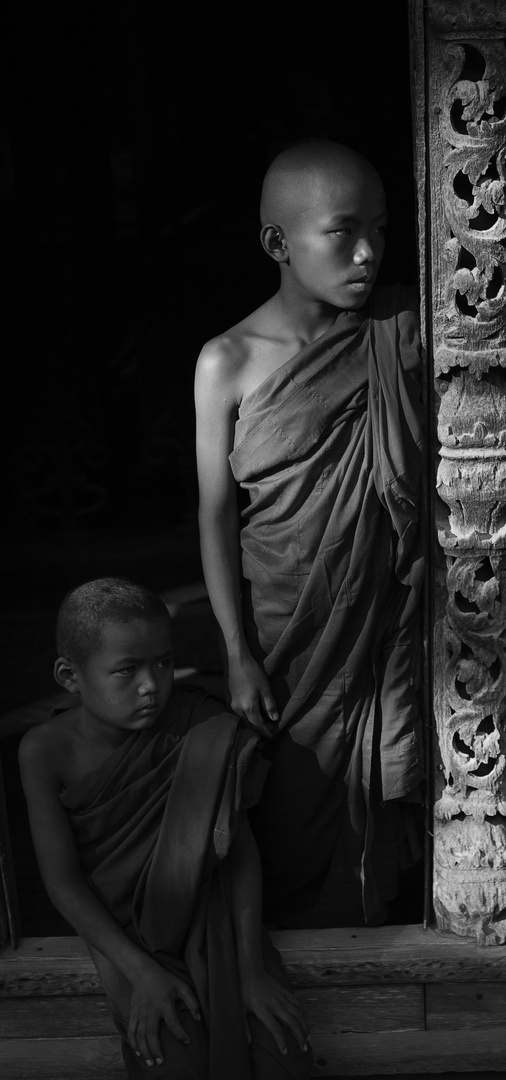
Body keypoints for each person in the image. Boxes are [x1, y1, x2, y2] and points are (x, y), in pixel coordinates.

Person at [195, 139, 425, 930]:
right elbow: (217, 513)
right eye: (343, 230)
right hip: (286, 635)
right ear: (277, 243)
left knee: (404, 822)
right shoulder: (226, 361)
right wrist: (234, 654)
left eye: (382, 229)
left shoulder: (401, 328)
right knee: (287, 820)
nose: (368, 253)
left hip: (387, 624)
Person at [19, 577, 312, 1079]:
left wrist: (251, 970)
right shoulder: (45, 752)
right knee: (173, 1057)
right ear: (70, 676)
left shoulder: (201, 725)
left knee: (278, 1048)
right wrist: (141, 973)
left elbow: (237, 853)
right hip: (123, 936)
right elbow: (62, 884)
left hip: (214, 917)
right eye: (126, 670)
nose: (152, 685)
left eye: (163, 662)